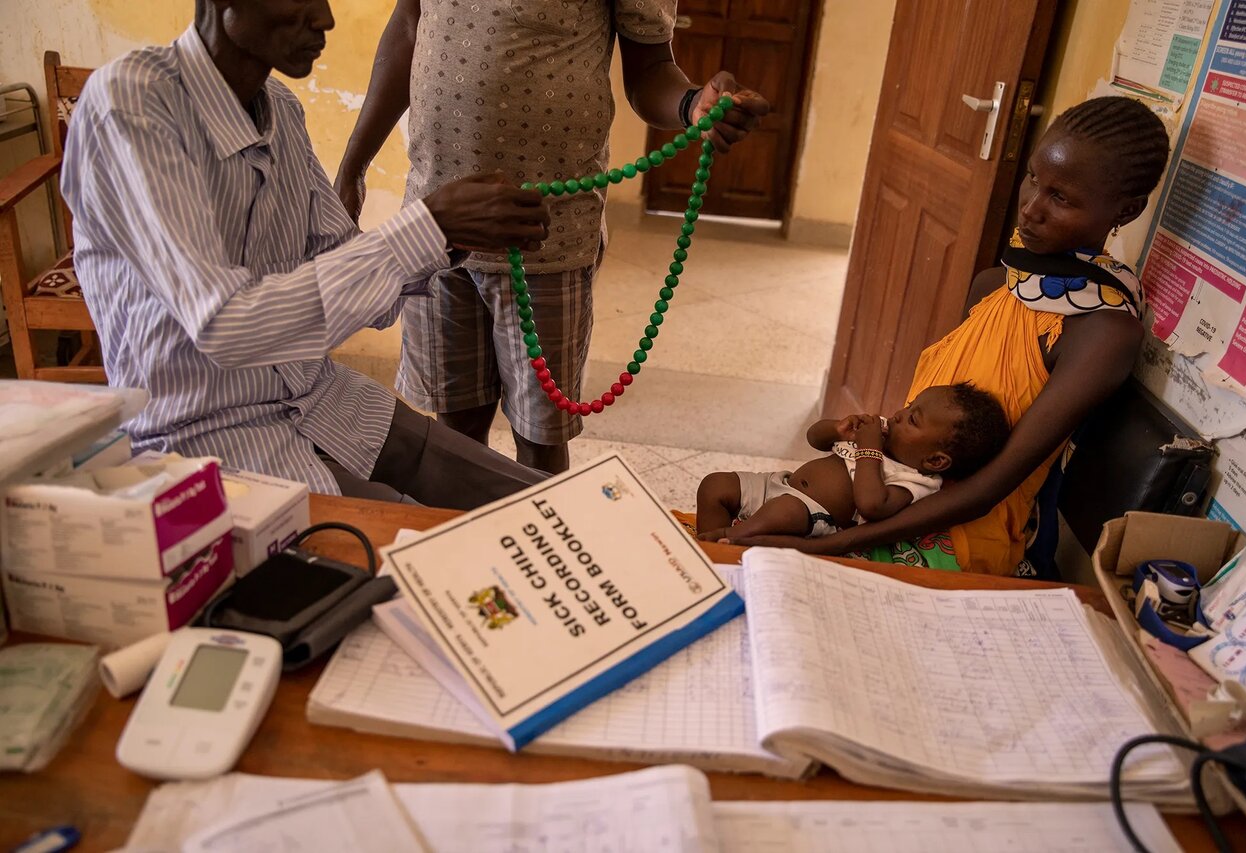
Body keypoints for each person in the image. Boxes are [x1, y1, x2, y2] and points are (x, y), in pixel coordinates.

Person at [60, 0, 554, 509]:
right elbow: (225, 326)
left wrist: (451, 236)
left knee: (547, 504)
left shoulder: (280, 109)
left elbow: (369, 294)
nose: (325, 20)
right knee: (442, 554)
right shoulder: (131, 104)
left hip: (321, 398)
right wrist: (428, 227)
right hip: (205, 437)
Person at [731, 96, 1172, 576]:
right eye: (1032, 178)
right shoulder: (993, 285)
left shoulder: (1102, 332)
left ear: (1125, 211)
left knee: (760, 565)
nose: (1030, 208)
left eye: (1061, 198)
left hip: (961, 538)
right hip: (891, 505)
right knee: (728, 526)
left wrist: (829, 546)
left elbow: (986, 490)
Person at [337, 0, 770, 474]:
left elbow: (651, 72)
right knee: (454, 429)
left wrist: (691, 105)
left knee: (539, 439)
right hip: (438, 222)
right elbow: (407, 27)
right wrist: (353, 166)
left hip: (548, 240)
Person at [695, 383, 1009, 541]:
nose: (899, 414)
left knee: (782, 510)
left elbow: (872, 506)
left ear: (936, 460)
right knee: (715, 484)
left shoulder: (915, 480)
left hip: (809, 515)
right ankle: (711, 548)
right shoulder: (883, 433)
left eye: (913, 419)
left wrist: (869, 450)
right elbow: (814, 439)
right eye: (909, 405)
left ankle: (730, 540)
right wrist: (836, 428)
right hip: (780, 483)